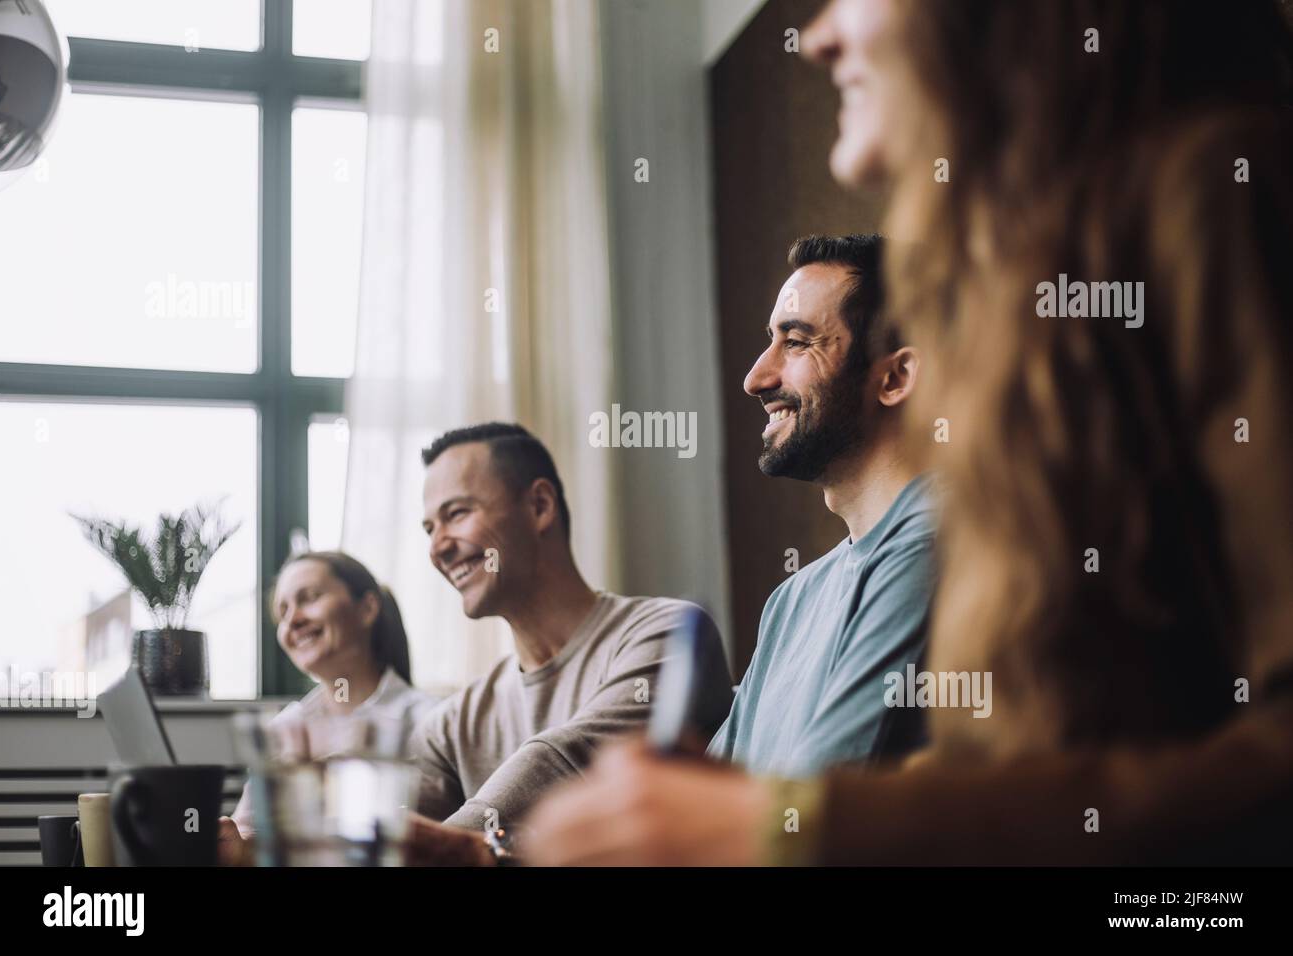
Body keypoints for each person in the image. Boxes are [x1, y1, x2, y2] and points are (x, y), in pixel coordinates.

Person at [524, 0, 1293, 866]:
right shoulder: (1040, 317)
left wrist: (790, 828)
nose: (816, 35)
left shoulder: (1220, 189)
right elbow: (1005, 782)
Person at [403, 423, 732, 865]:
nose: (438, 547)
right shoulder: (451, 726)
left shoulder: (666, 632)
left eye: (457, 513)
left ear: (539, 506)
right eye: (429, 528)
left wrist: (445, 845)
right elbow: (386, 832)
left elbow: (562, 762)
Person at [708, 233, 935, 775]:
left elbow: (810, 815)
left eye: (797, 342)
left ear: (895, 377)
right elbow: (711, 796)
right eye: (771, 340)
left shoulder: (931, 548)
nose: (756, 379)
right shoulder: (791, 600)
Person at [219, 550, 442, 864]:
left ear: (366, 608)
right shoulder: (285, 727)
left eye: (309, 598)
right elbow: (248, 831)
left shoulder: (431, 720)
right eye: (282, 612)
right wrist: (236, 844)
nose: (293, 620)